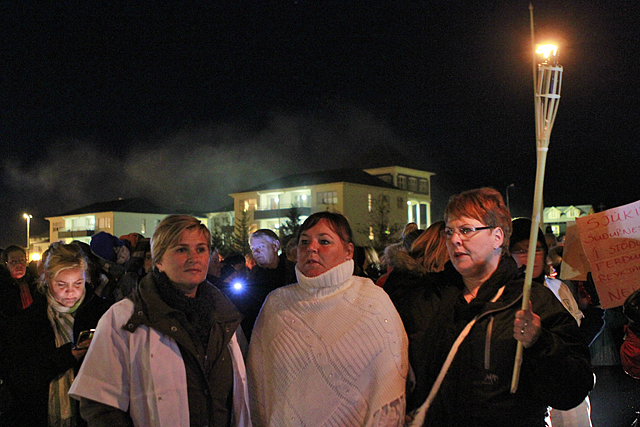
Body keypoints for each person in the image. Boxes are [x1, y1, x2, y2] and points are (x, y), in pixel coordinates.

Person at [406, 187, 593, 427]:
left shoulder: (532, 300)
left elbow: (573, 388)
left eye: (466, 230)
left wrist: (540, 343)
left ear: (497, 237)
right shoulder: (428, 298)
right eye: (449, 231)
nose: (455, 239)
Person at [69, 215, 251, 427]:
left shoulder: (223, 315)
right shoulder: (124, 317)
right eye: (182, 249)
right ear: (159, 260)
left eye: (201, 249)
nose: (194, 258)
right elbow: (100, 406)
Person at [247, 212, 408, 426]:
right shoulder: (276, 304)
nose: (311, 248)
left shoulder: (372, 303)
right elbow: (258, 382)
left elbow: (389, 389)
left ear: (348, 251)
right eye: (304, 241)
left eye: (324, 241)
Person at [1, 242, 110, 427]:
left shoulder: (102, 314)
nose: (70, 292)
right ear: (47, 279)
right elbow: (19, 378)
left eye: (78, 283)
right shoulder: (28, 321)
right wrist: (66, 357)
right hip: (39, 416)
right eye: (61, 284)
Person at [510, 217, 592, 427]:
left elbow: (578, 342)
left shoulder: (558, 289)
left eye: (537, 249)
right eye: (520, 250)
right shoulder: (504, 298)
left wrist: (594, 311)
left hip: (566, 401)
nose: (531, 257)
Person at [0, 245, 38, 317]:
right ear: (5, 264)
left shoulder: (35, 284)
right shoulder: (3, 288)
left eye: (22, 260)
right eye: (13, 261)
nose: (19, 265)